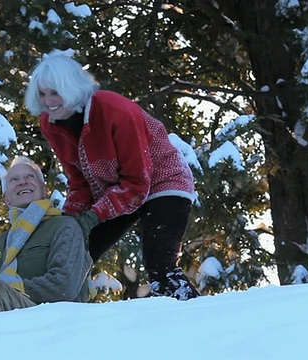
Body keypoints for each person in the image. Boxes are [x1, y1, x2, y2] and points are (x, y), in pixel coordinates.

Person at [24, 52, 199, 300]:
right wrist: (70, 220)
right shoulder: (50, 123)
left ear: (72, 88)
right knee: (76, 251)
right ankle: (64, 313)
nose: (48, 101)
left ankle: (195, 317)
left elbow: (138, 183)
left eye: (55, 92)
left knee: (160, 264)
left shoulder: (115, 110)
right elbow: (79, 181)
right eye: (42, 94)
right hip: (115, 191)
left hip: (162, 182)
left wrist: (94, 215)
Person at [0, 156, 93, 304]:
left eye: (30, 176)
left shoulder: (64, 226)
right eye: (14, 180)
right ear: (6, 199)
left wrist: (9, 290)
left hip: (50, 319)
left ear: (44, 191)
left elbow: (63, 286)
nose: (23, 182)